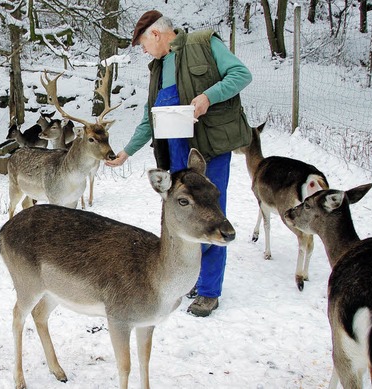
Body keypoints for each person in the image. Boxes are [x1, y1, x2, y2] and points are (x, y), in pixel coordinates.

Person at [106, 10, 253, 317]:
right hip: (174, 155)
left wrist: (208, 97)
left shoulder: (203, 44)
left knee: (210, 214)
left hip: (207, 150)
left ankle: (209, 291)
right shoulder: (158, 68)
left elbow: (241, 74)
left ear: (156, 35)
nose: (144, 51)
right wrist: (127, 152)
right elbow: (151, 116)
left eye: (144, 44)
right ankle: (190, 276)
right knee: (182, 218)